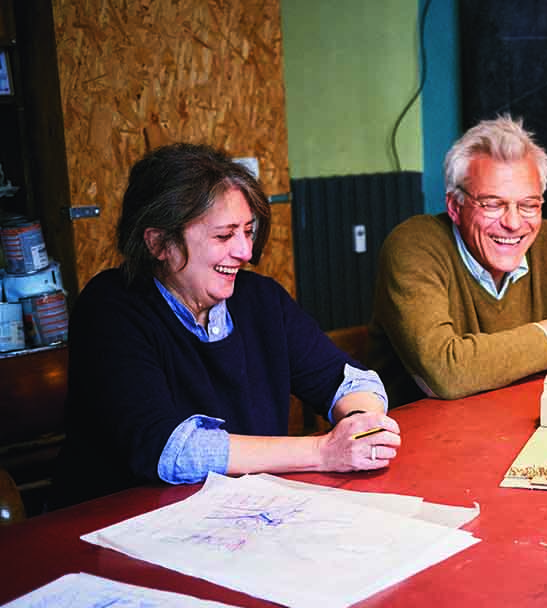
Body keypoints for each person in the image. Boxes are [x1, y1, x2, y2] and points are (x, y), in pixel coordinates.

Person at [56, 143, 400, 506]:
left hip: (242, 516)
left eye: (248, 232)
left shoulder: (260, 299)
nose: (245, 252)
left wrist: (361, 426)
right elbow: (168, 448)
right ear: (159, 243)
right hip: (119, 524)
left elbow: (349, 379)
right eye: (224, 236)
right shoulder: (110, 309)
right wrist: (323, 450)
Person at [364, 115, 547, 406]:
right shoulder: (414, 245)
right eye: (493, 204)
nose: (513, 223)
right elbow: (446, 372)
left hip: (510, 421)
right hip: (417, 439)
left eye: (528, 205)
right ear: (455, 207)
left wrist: (516, 361)